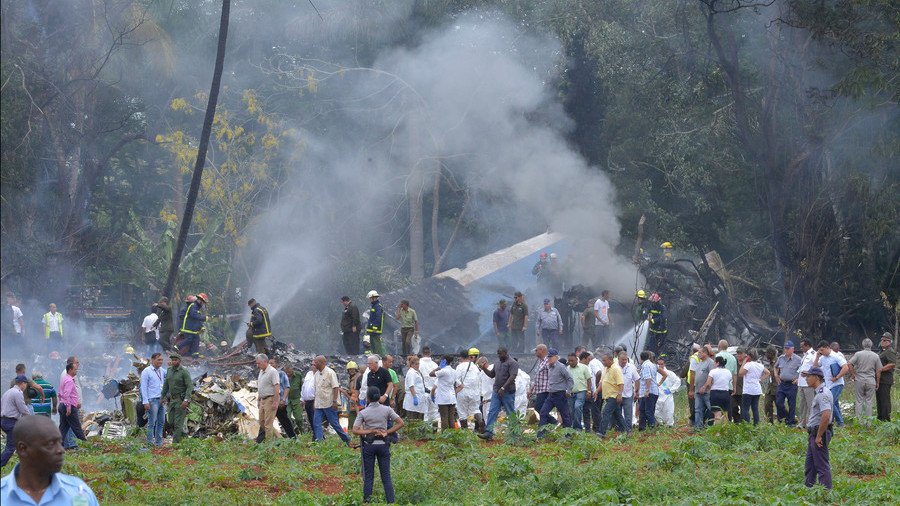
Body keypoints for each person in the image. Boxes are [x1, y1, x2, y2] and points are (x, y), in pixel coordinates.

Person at [0, 415, 100, 505]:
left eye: (60, 442)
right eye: (51, 444)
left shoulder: (79, 492)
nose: (61, 450)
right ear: (23, 448)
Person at [352, 387, 404, 504]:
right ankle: (391, 502)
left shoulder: (363, 412)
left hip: (369, 446)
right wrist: (387, 432)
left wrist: (369, 431)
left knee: (369, 476)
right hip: (383, 445)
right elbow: (401, 423)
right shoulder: (387, 409)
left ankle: (367, 501)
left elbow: (355, 430)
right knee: (386, 476)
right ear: (378, 397)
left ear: (368, 398)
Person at [477, 347, 519, 440]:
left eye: (500, 354)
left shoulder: (512, 363)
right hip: (496, 391)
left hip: (508, 392)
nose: (499, 356)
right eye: (498, 354)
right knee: (492, 411)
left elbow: (512, 377)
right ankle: (488, 432)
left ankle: (515, 434)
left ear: (506, 353)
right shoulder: (497, 363)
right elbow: (492, 375)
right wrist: (484, 368)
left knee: (510, 412)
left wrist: (503, 388)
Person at [802, 367, 833, 490]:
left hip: (819, 433)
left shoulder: (822, 394)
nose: (807, 379)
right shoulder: (820, 392)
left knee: (821, 464)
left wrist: (819, 435)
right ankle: (808, 488)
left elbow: (826, 415)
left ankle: (825, 492)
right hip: (814, 433)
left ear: (816, 377)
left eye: (809, 376)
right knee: (810, 464)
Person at [312, 355, 351, 445]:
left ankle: (346, 439)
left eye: (316, 362)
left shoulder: (330, 373)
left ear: (322, 363)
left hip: (329, 403)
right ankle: (320, 442)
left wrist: (334, 401)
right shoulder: (316, 374)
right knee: (316, 423)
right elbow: (316, 390)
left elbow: (335, 387)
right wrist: (315, 402)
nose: (314, 364)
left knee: (334, 423)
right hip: (319, 404)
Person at [537, 348, 573, 437]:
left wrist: (568, 390)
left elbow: (570, 379)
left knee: (565, 415)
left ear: (556, 357)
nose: (548, 359)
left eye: (550, 357)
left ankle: (568, 435)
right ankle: (541, 435)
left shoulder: (561, 367)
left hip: (560, 394)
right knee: (543, 412)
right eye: (548, 357)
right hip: (551, 394)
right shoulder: (549, 366)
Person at [813, 340, 848, 427]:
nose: (821, 352)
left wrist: (837, 377)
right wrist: (817, 356)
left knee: (829, 402)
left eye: (822, 350)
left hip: (837, 384)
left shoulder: (836, 356)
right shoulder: (822, 358)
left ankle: (840, 422)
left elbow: (845, 367)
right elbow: (815, 367)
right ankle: (832, 421)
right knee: (834, 403)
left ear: (827, 348)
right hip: (828, 384)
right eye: (819, 350)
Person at [847, 338, 882, 422]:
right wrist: (877, 382)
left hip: (859, 379)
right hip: (871, 380)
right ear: (871, 345)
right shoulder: (875, 356)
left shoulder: (858, 354)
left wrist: (853, 375)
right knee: (869, 401)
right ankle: (868, 422)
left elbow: (849, 363)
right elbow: (878, 370)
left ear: (862, 345)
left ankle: (858, 422)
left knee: (859, 400)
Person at [160, 353, 193, 443]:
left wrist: (186, 400)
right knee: (171, 421)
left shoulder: (184, 371)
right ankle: (183, 436)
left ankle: (176, 443)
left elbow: (190, 386)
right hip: (172, 400)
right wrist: (162, 397)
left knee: (178, 423)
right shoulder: (169, 370)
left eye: (175, 360)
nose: (173, 361)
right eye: (172, 360)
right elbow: (166, 385)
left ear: (179, 361)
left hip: (180, 400)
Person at [1, 376, 31, 467]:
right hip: (11, 422)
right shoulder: (17, 393)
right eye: (26, 384)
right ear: (23, 383)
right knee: (10, 447)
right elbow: (23, 409)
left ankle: (25, 462)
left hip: (3, 420)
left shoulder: (8, 392)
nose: (26, 386)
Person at [57, 363, 87, 449]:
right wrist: (69, 407)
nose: (76, 371)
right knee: (77, 427)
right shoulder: (69, 381)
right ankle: (85, 445)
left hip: (63, 405)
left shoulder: (64, 379)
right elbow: (66, 395)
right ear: (70, 370)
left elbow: (60, 393)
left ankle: (58, 445)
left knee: (63, 427)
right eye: (75, 369)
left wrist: (62, 403)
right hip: (68, 407)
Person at [140, 353, 166, 447]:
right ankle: (150, 442)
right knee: (152, 422)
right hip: (152, 400)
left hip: (161, 400)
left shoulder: (162, 371)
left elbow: (170, 377)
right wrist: (145, 401)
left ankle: (159, 443)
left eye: (162, 360)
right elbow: (143, 387)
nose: (161, 362)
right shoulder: (146, 371)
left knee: (161, 422)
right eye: (158, 360)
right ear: (152, 360)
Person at [774, 340, 803, 426]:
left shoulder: (798, 359)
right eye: (785, 348)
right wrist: (776, 375)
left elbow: (803, 370)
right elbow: (775, 367)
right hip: (782, 383)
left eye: (787, 349)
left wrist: (798, 379)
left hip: (792, 384)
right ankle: (782, 419)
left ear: (792, 349)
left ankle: (790, 422)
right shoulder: (781, 358)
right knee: (779, 402)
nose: (786, 350)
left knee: (791, 403)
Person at [739, 349, 769, 425]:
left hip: (748, 390)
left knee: (745, 408)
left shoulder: (748, 365)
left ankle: (747, 424)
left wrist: (744, 362)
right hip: (757, 389)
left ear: (749, 356)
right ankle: (756, 424)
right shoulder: (759, 365)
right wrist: (760, 379)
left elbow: (740, 373)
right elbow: (767, 373)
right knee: (755, 408)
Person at [269, 358, 297, 439]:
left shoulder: (281, 374)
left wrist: (283, 399)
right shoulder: (268, 374)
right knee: (267, 420)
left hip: (280, 402)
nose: (271, 365)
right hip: (270, 401)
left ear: (276, 364)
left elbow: (287, 387)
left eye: (272, 363)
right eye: (269, 363)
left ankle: (293, 437)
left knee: (284, 420)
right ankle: (261, 440)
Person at [598, 353, 625, 438]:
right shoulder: (606, 369)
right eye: (602, 360)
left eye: (604, 360)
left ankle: (601, 433)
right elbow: (602, 382)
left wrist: (620, 395)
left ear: (610, 360)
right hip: (607, 396)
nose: (603, 362)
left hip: (614, 396)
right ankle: (627, 430)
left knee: (606, 413)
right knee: (618, 415)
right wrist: (596, 391)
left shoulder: (616, 369)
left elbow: (621, 383)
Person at [529, 345, 556, 426]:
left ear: (542, 350)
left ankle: (553, 422)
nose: (535, 352)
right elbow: (537, 377)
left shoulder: (548, 361)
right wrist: (531, 390)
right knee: (541, 409)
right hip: (540, 390)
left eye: (536, 350)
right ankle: (547, 425)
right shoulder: (541, 362)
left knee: (539, 408)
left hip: (546, 390)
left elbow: (553, 374)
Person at [455, 349, 482, 430]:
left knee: (462, 412)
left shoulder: (459, 366)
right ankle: (480, 423)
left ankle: (465, 432)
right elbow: (479, 379)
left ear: (461, 357)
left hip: (462, 391)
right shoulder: (475, 366)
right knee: (476, 410)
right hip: (475, 392)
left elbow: (456, 379)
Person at [430, 356, 458, 431]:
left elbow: (431, 374)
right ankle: (453, 435)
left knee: (444, 417)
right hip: (452, 397)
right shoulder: (454, 371)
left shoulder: (443, 371)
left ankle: (445, 435)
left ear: (444, 361)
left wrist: (439, 367)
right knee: (451, 418)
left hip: (443, 398)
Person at [176, 294, 207, 359]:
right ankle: (176, 347)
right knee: (189, 339)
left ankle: (194, 355)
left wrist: (201, 327)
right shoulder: (192, 307)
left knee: (196, 340)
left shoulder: (195, 308)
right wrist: (205, 318)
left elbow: (196, 320)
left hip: (193, 329)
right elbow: (194, 316)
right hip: (188, 328)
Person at [703, 356, 733, 422]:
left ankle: (717, 431)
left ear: (717, 363)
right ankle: (725, 431)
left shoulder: (713, 371)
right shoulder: (728, 372)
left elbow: (708, 383)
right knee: (725, 414)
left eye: (714, 362)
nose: (714, 363)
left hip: (715, 393)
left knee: (717, 414)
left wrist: (708, 387)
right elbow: (730, 381)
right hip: (725, 393)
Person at [567, 353, 592, 431]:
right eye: (569, 361)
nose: (570, 362)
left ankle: (577, 428)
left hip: (581, 392)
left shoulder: (584, 367)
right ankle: (573, 428)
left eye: (572, 361)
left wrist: (589, 391)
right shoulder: (567, 369)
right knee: (571, 410)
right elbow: (565, 380)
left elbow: (589, 379)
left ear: (576, 360)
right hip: (571, 393)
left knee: (577, 407)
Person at [692, 346, 715, 429]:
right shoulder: (699, 363)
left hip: (707, 391)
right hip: (698, 390)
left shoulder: (710, 363)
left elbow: (711, 377)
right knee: (698, 409)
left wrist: (705, 387)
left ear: (705, 353)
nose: (698, 354)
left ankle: (710, 426)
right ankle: (698, 427)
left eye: (700, 352)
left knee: (711, 408)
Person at [655, 355, 681, 427]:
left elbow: (677, 381)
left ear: (664, 364)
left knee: (669, 410)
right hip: (658, 395)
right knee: (657, 411)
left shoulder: (669, 373)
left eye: (662, 364)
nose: (660, 366)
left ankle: (669, 425)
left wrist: (671, 390)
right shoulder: (655, 373)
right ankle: (659, 423)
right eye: (659, 364)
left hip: (667, 395)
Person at [581, 351, 603, 432]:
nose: (588, 361)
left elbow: (599, 372)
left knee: (595, 410)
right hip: (599, 389)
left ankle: (598, 429)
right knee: (597, 409)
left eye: (588, 358)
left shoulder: (593, 363)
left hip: (595, 390)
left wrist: (596, 384)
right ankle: (595, 427)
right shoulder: (598, 362)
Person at [797, 339, 817, 426]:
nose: (801, 348)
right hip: (801, 382)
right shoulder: (805, 355)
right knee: (802, 404)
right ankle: (802, 422)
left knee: (810, 403)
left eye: (802, 346)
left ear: (807, 346)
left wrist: (809, 373)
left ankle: (811, 422)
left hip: (808, 383)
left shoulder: (814, 354)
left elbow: (816, 367)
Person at [876, 332, 896, 421]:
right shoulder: (882, 351)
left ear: (889, 342)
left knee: (885, 400)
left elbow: (892, 364)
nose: (882, 342)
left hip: (885, 379)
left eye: (884, 340)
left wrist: (881, 369)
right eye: (881, 340)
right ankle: (880, 417)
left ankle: (886, 419)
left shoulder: (890, 351)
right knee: (879, 399)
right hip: (879, 379)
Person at [638, 350, 659, 430]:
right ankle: (642, 429)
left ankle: (653, 427)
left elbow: (648, 378)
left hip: (648, 392)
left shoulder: (646, 365)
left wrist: (647, 390)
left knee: (648, 411)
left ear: (641, 358)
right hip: (650, 391)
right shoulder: (652, 365)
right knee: (642, 410)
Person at [618, 351, 639, 433]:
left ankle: (629, 430)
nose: (624, 361)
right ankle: (620, 430)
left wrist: (636, 391)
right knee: (618, 413)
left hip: (628, 394)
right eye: (622, 359)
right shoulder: (615, 367)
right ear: (618, 359)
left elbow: (637, 379)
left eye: (625, 359)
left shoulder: (631, 367)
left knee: (628, 413)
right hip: (617, 394)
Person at [403, 356, 427, 421]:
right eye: (416, 364)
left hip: (419, 398)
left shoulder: (417, 372)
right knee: (413, 420)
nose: (417, 365)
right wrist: (414, 397)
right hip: (412, 399)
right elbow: (411, 386)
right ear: (411, 364)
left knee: (419, 419)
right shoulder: (411, 372)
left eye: (418, 363)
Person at [418, 348, 439, 423]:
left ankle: (426, 433)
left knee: (424, 414)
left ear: (421, 353)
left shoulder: (418, 364)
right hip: (434, 392)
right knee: (435, 414)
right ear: (430, 353)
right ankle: (435, 432)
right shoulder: (435, 365)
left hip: (422, 392)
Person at [284, 363, 306, 434]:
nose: (288, 374)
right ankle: (290, 434)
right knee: (287, 417)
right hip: (287, 400)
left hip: (297, 399)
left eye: (289, 372)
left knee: (298, 418)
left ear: (292, 370)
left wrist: (303, 399)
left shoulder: (298, 375)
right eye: (286, 372)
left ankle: (303, 432)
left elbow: (302, 387)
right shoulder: (283, 376)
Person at [365, 291, 386, 356]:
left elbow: (378, 319)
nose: (370, 300)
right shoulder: (374, 306)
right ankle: (375, 357)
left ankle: (382, 357)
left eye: (370, 298)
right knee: (373, 345)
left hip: (375, 330)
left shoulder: (378, 307)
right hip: (372, 330)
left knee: (377, 345)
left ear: (374, 298)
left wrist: (374, 327)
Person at [343, 362, 361, 430]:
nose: (351, 371)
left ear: (356, 369)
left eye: (352, 369)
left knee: (355, 415)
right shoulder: (351, 378)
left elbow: (356, 389)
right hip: (353, 399)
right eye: (349, 370)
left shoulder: (358, 377)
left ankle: (354, 430)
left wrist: (346, 392)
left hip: (357, 399)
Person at [731, 347, 747, 423]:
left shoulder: (747, 364)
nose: (739, 355)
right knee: (733, 407)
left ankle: (743, 423)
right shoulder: (734, 363)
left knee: (744, 409)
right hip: (734, 389)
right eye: (738, 353)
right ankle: (737, 422)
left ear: (745, 354)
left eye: (740, 353)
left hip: (744, 390)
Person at [686, 343, 701, 425]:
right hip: (701, 382)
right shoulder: (704, 356)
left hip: (692, 383)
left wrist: (691, 390)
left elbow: (690, 373)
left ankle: (693, 420)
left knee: (692, 402)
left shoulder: (693, 358)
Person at [763, 347, 778, 423]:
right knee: (767, 404)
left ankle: (785, 419)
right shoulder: (770, 363)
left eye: (768, 354)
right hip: (770, 388)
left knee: (779, 405)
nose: (767, 356)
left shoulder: (778, 362)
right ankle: (770, 422)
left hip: (777, 388)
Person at [300, 368, 317, 433]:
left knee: (315, 419)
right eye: (312, 365)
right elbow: (304, 386)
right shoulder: (309, 373)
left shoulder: (319, 374)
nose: (312, 366)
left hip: (314, 401)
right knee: (310, 419)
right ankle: (315, 435)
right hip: (307, 401)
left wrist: (316, 401)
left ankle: (319, 436)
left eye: (314, 365)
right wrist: (302, 398)